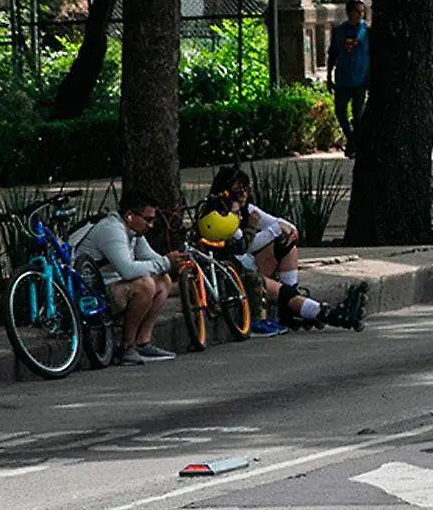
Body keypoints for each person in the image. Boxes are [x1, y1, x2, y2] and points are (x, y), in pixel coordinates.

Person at [206, 166, 367, 331]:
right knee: (282, 292)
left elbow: (276, 223)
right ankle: (332, 315)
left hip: (247, 266)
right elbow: (242, 247)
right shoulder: (219, 217)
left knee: (287, 244)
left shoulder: (246, 210)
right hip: (236, 273)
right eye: (238, 192)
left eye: (246, 190)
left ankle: (293, 308)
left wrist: (287, 228)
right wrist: (269, 229)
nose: (244, 195)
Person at [69, 192, 186, 366]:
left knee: (163, 280)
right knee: (145, 285)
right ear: (130, 215)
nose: (151, 225)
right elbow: (128, 271)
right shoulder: (112, 230)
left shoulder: (133, 231)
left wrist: (173, 261)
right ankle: (126, 347)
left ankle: (142, 342)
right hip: (93, 295)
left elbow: (150, 258)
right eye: (147, 219)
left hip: (112, 286)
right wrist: (166, 262)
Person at [327, 1, 369, 159]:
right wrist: (329, 77)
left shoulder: (367, 32)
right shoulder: (339, 31)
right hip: (343, 79)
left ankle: (355, 145)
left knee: (358, 115)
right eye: (357, 12)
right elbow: (332, 54)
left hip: (360, 80)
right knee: (340, 112)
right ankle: (352, 140)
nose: (360, 15)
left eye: (362, 12)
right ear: (349, 12)